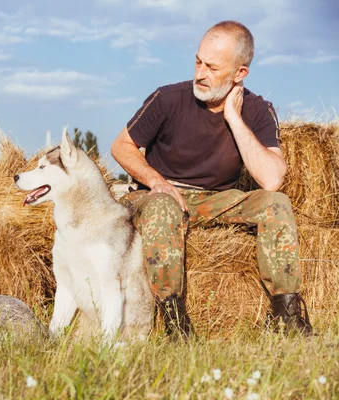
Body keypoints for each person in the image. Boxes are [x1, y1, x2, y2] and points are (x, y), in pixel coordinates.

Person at [111, 20, 312, 340]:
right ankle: (174, 321)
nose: (200, 73)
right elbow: (121, 146)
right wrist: (157, 181)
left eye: (212, 67)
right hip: (154, 195)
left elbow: (271, 179)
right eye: (197, 61)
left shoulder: (258, 111)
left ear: (239, 74)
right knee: (163, 205)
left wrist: (233, 117)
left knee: (276, 204)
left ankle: (287, 316)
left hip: (214, 200)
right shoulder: (167, 98)